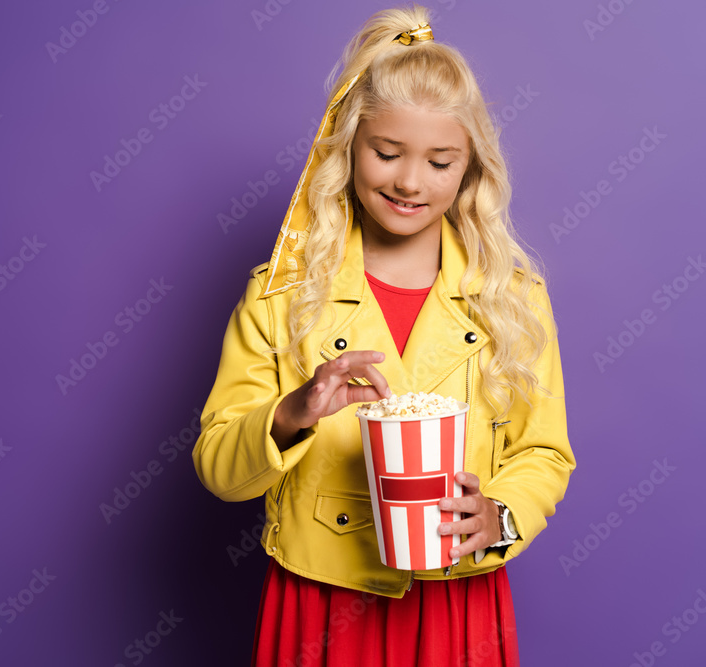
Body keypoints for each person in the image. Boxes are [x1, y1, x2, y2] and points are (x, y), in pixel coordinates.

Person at [192, 5, 576, 666]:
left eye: (439, 161)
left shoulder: (514, 298)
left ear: (470, 169)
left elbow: (544, 452)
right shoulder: (282, 295)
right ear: (348, 149)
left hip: (457, 600)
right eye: (387, 153)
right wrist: (292, 413)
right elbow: (218, 467)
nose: (408, 181)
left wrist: (501, 515)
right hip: (321, 600)